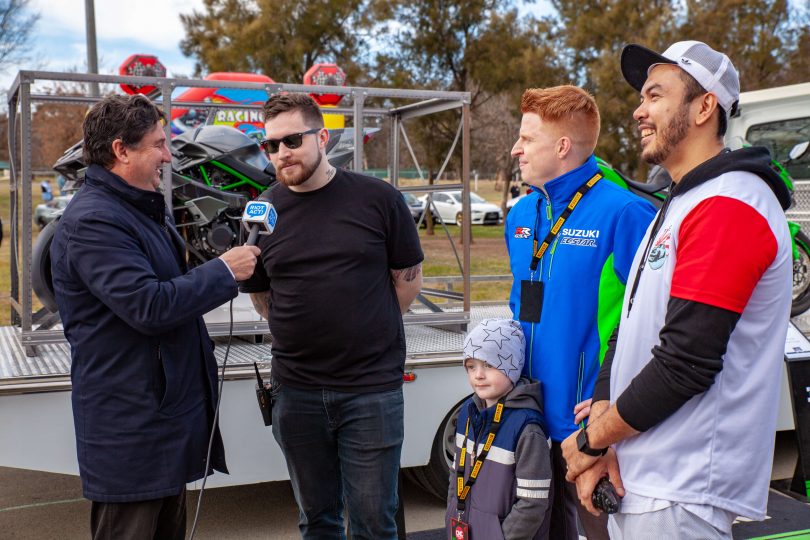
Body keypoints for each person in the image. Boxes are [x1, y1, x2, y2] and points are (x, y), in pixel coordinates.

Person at [562, 41, 793, 539]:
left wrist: (589, 441)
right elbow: (630, 326)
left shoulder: (733, 204)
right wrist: (602, 426)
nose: (639, 111)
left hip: (683, 491)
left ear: (705, 106)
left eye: (655, 95)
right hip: (643, 482)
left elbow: (685, 362)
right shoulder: (685, 199)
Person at [50, 94, 260, 539]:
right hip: (131, 435)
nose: (168, 154)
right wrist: (224, 270)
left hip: (159, 427)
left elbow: (169, 289)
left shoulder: (140, 208)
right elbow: (149, 305)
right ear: (121, 150)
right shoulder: (94, 221)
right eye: (158, 145)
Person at [241, 93, 424, 539]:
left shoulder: (378, 200)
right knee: (317, 521)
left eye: (292, 140)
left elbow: (407, 281)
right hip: (295, 393)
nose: (282, 153)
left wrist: (364, 325)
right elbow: (262, 296)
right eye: (271, 145)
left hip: (370, 393)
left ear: (322, 137)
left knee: (373, 524)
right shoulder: (261, 213)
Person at [506, 85, 656, 540]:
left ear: (563, 146)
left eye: (527, 139)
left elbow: (651, 325)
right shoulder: (521, 214)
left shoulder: (626, 214)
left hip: (590, 426)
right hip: (526, 420)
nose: (516, 149)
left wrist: (610, 412)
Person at [446, 318, 552, 540]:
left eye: (489, 365)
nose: (478, 375)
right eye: (471, 366)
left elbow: (532, 503)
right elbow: (455, 475)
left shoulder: (527, 428)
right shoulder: (467, 412)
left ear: (511, 367)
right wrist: (452, 514)